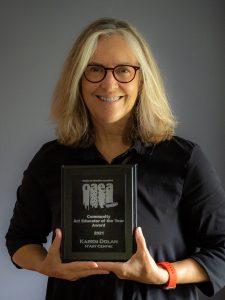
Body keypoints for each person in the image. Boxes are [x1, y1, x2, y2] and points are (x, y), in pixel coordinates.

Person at [5, 18, 225, 300]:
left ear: (142, 78)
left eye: (123, 70)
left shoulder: (184, 160)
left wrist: (163, 274)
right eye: (94, 69)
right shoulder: (50, 160)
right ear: (78, 79)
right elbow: (19, 240)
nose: (109, 84)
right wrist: (46, 266)